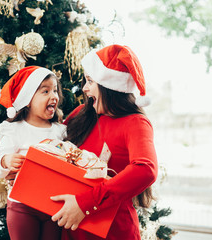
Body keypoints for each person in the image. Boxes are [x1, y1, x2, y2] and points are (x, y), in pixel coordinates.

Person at [50, 44, 158, 240]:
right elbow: (52, 151)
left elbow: (145, 169)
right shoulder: (79, 115)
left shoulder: (136, 123)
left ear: (110, 86)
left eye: (90, 81)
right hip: (70, 229)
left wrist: (86, 203)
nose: (84, 88)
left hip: (112, 232)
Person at [0, 66, 66, 240]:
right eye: (45, 91)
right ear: (28, 99)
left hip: (53, 208)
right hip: (22, 207)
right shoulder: (14, 129)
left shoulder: (60, 131)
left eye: (55, 90)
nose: (54, 96)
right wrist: (6, 161)